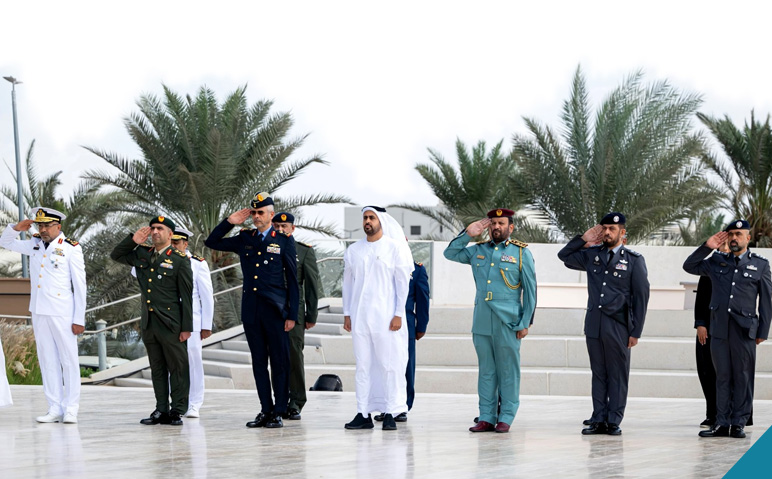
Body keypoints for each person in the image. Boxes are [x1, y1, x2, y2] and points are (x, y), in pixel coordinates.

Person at [205, 193, 299, 429]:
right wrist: (229, 222)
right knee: (259, 362)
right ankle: (265, 409)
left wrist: (292, 315)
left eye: (261, 213)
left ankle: (279, 411)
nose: (257, 217)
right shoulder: (244, 238)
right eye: (254, 213)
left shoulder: (284, 240)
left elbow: (292, 281)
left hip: (276, 310)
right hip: (252, 310)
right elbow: (212, 242)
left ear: (270, 215)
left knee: (279, 362)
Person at [444, 208, 536, 433]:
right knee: (486, 371)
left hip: (508, 321)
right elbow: (450, 253)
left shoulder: (521, 253)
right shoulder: (478, 250)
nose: (496, 227)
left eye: (501, 223)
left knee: (508, 371)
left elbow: (530, 291)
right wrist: (468, 234)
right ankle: (486, 416)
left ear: (510, 227)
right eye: (493, 223)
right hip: (483, 320)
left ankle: (506, 416)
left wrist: (525, 322)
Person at [557, 212, 650, 436]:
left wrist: (636, 331)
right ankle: (598, 417)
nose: (607, 232)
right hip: (595, 324)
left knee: (617, 373)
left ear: (622, 233)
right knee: (598, 372)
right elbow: (564, 255)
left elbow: (641, 297)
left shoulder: (634, 260)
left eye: (612, 229)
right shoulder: (592, 255)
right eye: (604, 228)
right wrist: (584, 239)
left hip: (619, 325)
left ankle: (613, 419)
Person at [683, 220, 770, 439]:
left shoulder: (760, 265)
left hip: (744, 331)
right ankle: (721, 423)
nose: (734, 238)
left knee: (742, 376)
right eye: (730, 234)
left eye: (738, 234)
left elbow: (767, 301)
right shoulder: (716, 261)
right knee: (721, 376)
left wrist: (762, 331)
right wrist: (707, 246)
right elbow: (689, 266)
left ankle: (738, 423)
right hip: (719, 330)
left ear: (748, 238)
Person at [0, 207, 85, 423]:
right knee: (47, 360)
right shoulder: (35, 243)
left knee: (68, 360)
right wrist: (15, 228)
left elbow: (80, 286)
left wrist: (79, 319)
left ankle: (71, 408)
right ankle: (54, 407)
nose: (43, 229)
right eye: (40, 225)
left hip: (63, 312)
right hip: (39, 310)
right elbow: (6, 243)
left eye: (47, 225)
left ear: (59, 226)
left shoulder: (71, 248)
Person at [111, 215, 193, 426]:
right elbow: (117, 254)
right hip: (150, 322)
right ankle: (161, 409)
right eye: (153, 228)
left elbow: (186, 296)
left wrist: (186, 328)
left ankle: (177, 410)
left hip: (172, 323)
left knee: (177, 367)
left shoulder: (179, 259)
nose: (155, 232)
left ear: (170, 234)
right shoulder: (142, 253)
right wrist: (133, 240)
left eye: (160, 229)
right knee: (157, 368)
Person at [342, 206, 414, 431]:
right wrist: (347, 313)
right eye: (365, 217)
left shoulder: (394, 248)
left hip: (386, 318)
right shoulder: (354, 250)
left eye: (372, 217)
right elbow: (348, 284)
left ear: (380, 221)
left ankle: (391, 412)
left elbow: (403, 284)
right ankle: (363, 412)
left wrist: (398, 314)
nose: (368, 221)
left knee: (388, 365)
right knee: (363, 365)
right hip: (360, 318)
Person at [272, 212, 320, 421]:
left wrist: (312, 314)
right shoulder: (267, 249)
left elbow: (311, 285)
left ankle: (296, 402)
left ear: (293, 228)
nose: (281, 230)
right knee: (275, 359)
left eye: (285, 226)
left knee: (293, 357)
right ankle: (280, 401)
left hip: (295, 313)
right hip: (271, 312)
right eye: (277, 226)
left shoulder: (303, 251)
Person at [376, 259, 430, 423]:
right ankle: (386, 405)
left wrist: (421, 326)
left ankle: (402, 406)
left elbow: (422, 301)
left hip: (405, 326)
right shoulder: (381, 264)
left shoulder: (416, 269)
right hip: (380, 325)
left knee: (406, 367)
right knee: (383, 366)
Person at [171, 227, 214, 419]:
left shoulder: (197, 264)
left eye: (177, 242)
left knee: (193, 362)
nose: (174, 246)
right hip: (170, 320)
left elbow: (207, 297)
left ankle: (195, 403)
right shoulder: (163, 260)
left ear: (185, 243)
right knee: (173, 363)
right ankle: (177, 403)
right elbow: (134, 271)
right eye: (171, 242)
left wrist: (206, 325)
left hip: (193, 321)